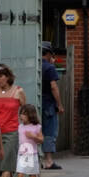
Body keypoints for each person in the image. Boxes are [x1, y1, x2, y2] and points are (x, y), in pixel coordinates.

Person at [14, 104, 44, 177]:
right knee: (20, 176)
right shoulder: (20, 127)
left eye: (24, 114)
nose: (21, 116)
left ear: (30, 115)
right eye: (21, 114)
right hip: (22, 154)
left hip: (32, 154)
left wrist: (33, 136)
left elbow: (41, 140)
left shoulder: (36, 127)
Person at [40, 42, 63, 170]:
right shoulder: (49, 68)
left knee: (38, 131)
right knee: (49, 132)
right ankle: (49, 161)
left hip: (38, 104)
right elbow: (53, 87)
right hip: (48, 104)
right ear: (48, 54)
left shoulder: (36, 66)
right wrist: (59, 104)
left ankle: (41, 160)